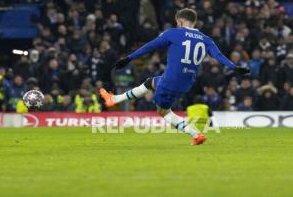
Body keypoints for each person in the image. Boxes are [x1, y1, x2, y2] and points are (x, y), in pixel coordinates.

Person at [100, 8, 250, 145]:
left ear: (179, 20)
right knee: (150, 82)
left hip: (171, 81)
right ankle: (114, 99)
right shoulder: (206, 39)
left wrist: (128, 58)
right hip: (186, 83)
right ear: (194, 22)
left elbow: (150, 46)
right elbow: (218, 55)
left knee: (163, 111)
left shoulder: (173, 33)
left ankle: (196, 134)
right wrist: (234, 68)